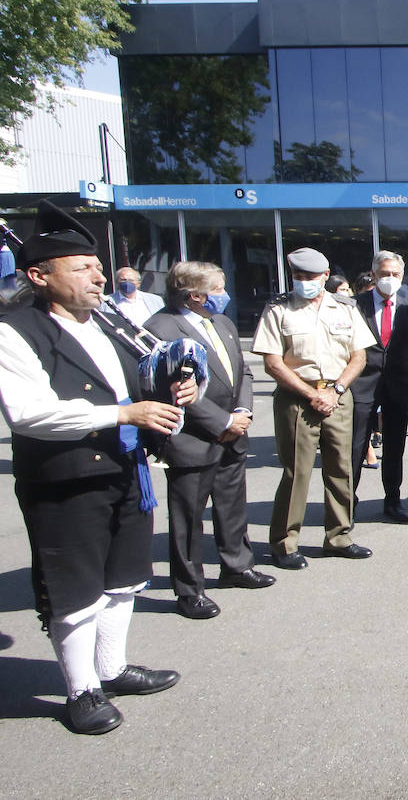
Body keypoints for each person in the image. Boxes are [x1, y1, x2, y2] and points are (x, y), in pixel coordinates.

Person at [0, 200, 194, 735]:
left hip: (126, 470)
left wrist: (177, 393)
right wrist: (123, 414)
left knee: (125, 577)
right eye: (82, 267)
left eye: (98, 266)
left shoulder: (112, 325)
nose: (99, 277)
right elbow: (28, 413)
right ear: (39, 276)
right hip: (66, 480)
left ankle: (111, 668)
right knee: (75, 587)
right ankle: (81, 690)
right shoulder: (15, 331)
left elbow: (146, 386)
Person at [144, 261, 274, 621]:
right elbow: (170, 390)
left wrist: (242, 413)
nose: (224, 294)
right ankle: (189, 590)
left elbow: (242, 372)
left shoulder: (222, 322)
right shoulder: (160, 329)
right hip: (193, 437)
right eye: (217, 289)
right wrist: (222, 421)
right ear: (195, 295)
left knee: (232, 506)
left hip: (233, 433)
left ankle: (237, 566)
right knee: (187, 519)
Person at [252, 247, 375, 569]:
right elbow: (272, 363)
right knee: (297, 472)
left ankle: (339, 537)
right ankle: (284, 542)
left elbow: (359, 356)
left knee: (341, 469)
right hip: (297, 398)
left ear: (325, 277)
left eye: (311, 277)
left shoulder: (345, 307)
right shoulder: (279, 309)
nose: (304, 282)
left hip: (338, 395)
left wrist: (336, 390)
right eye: (298, 276)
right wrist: (311, 394)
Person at [350, 251, 408, 524]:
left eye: (395, 274)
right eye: (385, 274)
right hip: (362, 384)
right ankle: (347, 503)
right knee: (355, 445)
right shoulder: (355, 305)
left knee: (395, 446)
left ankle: (393, 500)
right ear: (374, 275)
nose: (390, 278)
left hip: (397, 384)